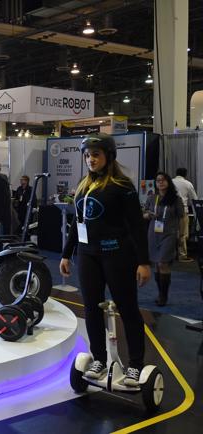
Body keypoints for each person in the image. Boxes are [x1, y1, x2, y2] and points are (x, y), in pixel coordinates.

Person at [59, 133, 150, 386]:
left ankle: (135, 365)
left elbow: (136, 226)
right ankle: (99, 359)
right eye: (87, 155)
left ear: (109, 156)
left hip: (117, 255)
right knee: (91, 308)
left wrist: (144, 262)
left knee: (127, 308)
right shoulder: (84, 185)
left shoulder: (122, 186)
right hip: (88, 256)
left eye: (95, 155)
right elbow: (78, 223)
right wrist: (66, 253)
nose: (90, 159)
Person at [143, 172, 182, 306]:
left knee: (163, 263)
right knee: (157, 266)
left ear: (168, 182)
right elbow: (144, 214)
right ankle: (160, 293)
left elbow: (182, 218)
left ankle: (163, 296)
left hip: (169, 234)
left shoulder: (176, 199)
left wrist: (182, 235)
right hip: (153, 235)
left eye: (163, 180)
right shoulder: (152, 197)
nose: (160, 182)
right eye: (158, 180)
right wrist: (148, 215)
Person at [172, 168, 198, 262]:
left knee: (171, 233)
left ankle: (171, 254)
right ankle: (182, 255)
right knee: (183, 234)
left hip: (170, 211)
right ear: (185, 174)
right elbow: (194, 199)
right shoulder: (187, 184)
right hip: (183, 211)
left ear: (176, 173)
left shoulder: (170, 182)